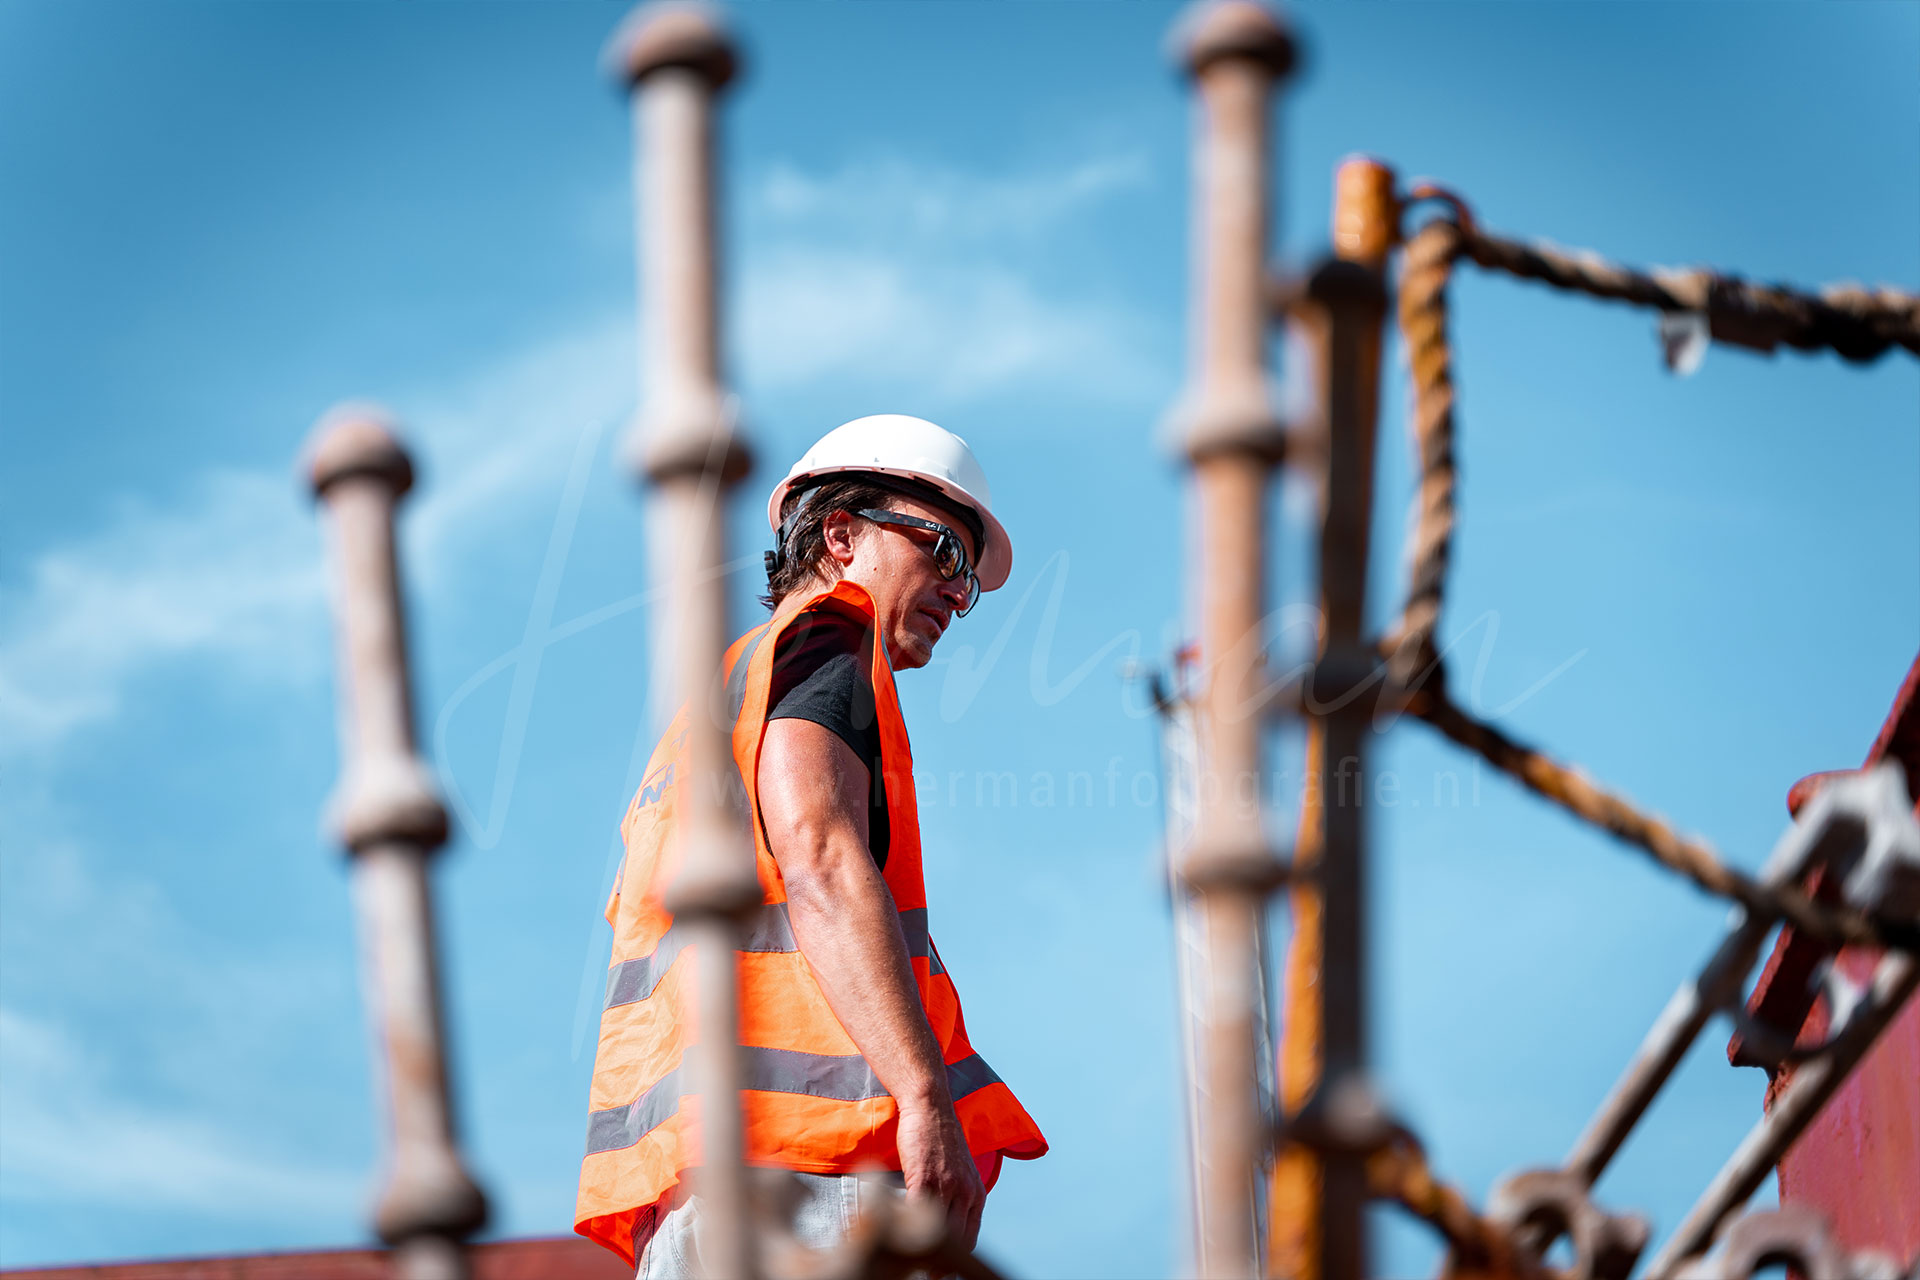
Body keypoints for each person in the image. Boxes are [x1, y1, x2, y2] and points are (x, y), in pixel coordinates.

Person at [576, 415, 1049, 1275]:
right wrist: (923, 1098)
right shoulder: (829, 640)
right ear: (841, 535)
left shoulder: (715, 707)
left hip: (693, 1191)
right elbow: (822, 859)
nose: (956, 592)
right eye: (944, 554)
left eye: (969, 581)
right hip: (814, 1171)